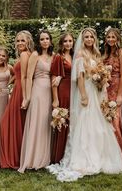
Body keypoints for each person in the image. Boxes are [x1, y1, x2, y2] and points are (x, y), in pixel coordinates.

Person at [46, 27, 122, 181]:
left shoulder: (96, 54)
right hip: (87, 91)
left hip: (97, 91)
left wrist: (102, 78)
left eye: (91, 37)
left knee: (99, 124)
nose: (89, 39)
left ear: (95, 39)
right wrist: (83, 95)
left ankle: (101, 156)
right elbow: (80, 77)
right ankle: (85, 158)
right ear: (82, 40)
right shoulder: (81, 54)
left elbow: (99, 71)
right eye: (86, 37)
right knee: (87, 122)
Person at [18, 30, 54, 172]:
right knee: (36, 122)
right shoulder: (35, 55)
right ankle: (32, 158)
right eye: (42, 39)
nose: (45, 41)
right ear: (38, 42)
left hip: (50, 92)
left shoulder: (54, 56)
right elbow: (28, 76)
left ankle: (44, 157)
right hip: (38, 91)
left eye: (47, 39)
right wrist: (27, 97)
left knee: (46, 123)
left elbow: (57, 73)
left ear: (50, 41)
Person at [0, 30, 34, 169]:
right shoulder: (25, 54)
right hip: (18, 88)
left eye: (23, 40)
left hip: (22, 90)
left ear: (28, 42)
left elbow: (25, 76)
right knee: (19, 123)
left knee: (7, 123)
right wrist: (8, 83)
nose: (20, 43)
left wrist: (26, 97)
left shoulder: (25, 54)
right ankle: (18, 156)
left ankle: (14, 158)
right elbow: (18, 74)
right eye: (18, 40)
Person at [103, 28, 122, 158]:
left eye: (113, 37)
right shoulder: (105, 53)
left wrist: (120, 95)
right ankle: (107, 150)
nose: (111, 39)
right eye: (108, 37)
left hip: (116, 86)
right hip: (104, 88)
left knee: (115, 119)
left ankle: (119, 151)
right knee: (105, 118)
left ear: (118, 39)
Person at [50, 33, 74, 163]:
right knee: (63, 120)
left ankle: (71, 153)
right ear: (61, 43)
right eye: (65, 41)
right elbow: (53, 78)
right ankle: (59, 155)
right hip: (64, 90)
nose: (68, 43)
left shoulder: (75, 56)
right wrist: (55, 99)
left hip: (74, 90)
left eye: (70, 41)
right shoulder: (59, 57)